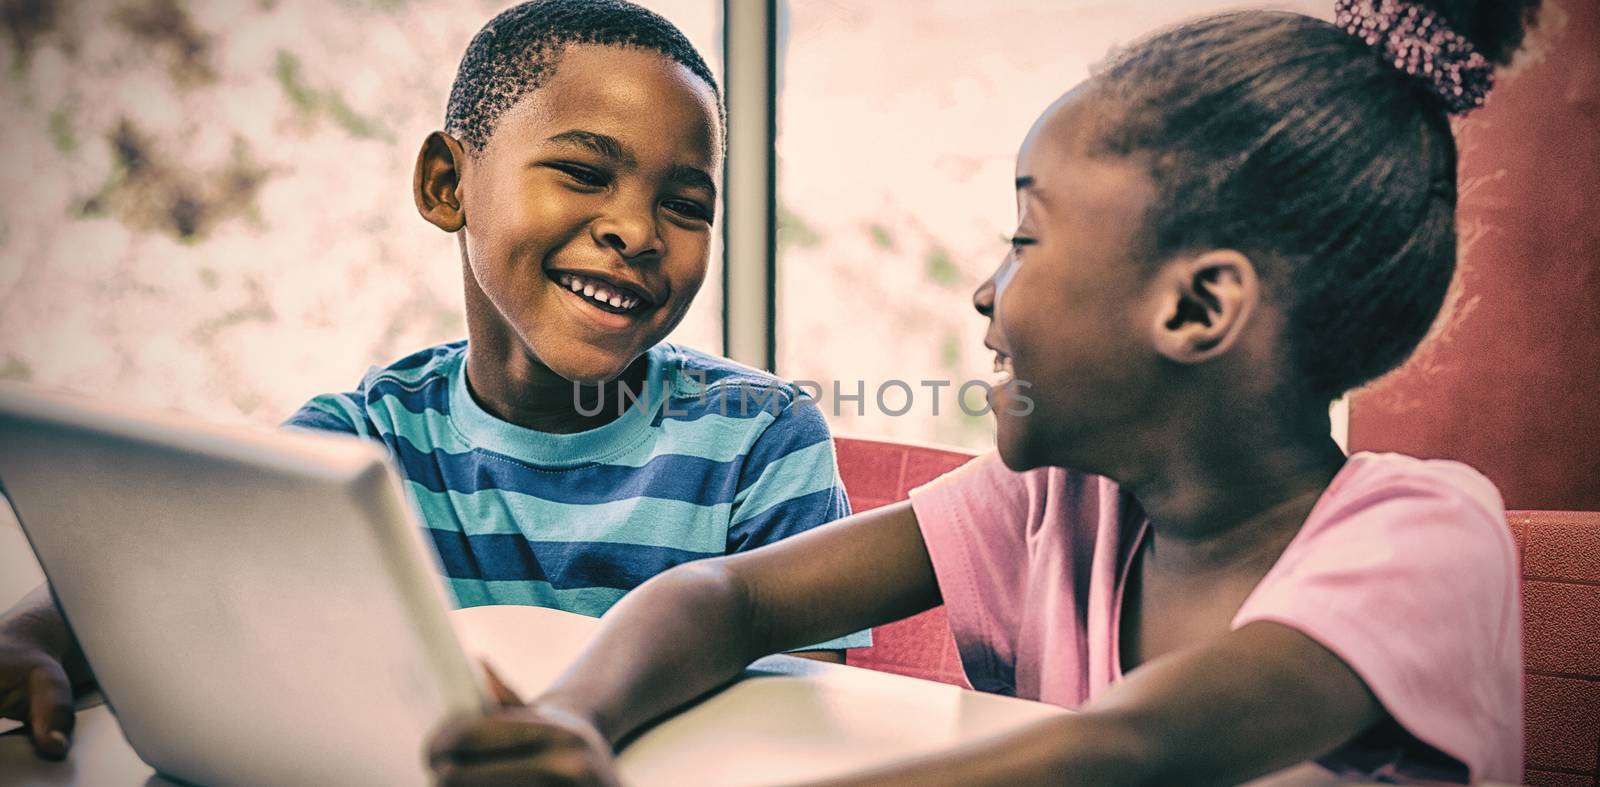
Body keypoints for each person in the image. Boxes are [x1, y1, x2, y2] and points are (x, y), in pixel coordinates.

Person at [425, 1, 1539, 784]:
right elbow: (729, 598)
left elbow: (1122, 752)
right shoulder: (1056, 506)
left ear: (1196, 309)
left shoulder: (1424, 536)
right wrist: (576, 716)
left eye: (1024, 237)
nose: (981, 289)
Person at [0, 0, 867, 761]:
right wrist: (30, 637)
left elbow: (790, 725)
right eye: (583, 172)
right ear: (447, 183)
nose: (638, 231)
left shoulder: (763, 439)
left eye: (686, 203)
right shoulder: (362, 439)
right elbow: (165, 560)